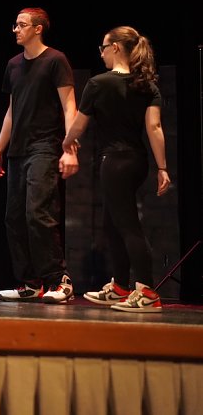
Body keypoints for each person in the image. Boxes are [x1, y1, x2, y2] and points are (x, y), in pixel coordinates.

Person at [63, 26, 170, 313]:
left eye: (103, 48)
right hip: (137, 161)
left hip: (115, 162)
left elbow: (79, 124)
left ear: (116, 48)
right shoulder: (147, 85)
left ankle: (147, 292)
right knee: (112, 225)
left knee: (128, 227)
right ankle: (121, 287)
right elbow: (154, 128)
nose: (101, 54)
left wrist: (67, 142)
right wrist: (162, 167)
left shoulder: (99, 83)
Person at [0, 7, 78, 304]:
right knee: (14, 217)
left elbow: (69, 106)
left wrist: (69, 148)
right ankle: (29, 283)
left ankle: (58, 280)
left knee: (38, 213)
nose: (15, 29)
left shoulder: (55, 60)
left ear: (38, 29)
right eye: (15, 25)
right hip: (18, 150)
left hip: (45, 145)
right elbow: (12, 111)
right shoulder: (13, 65)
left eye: (21, 25)